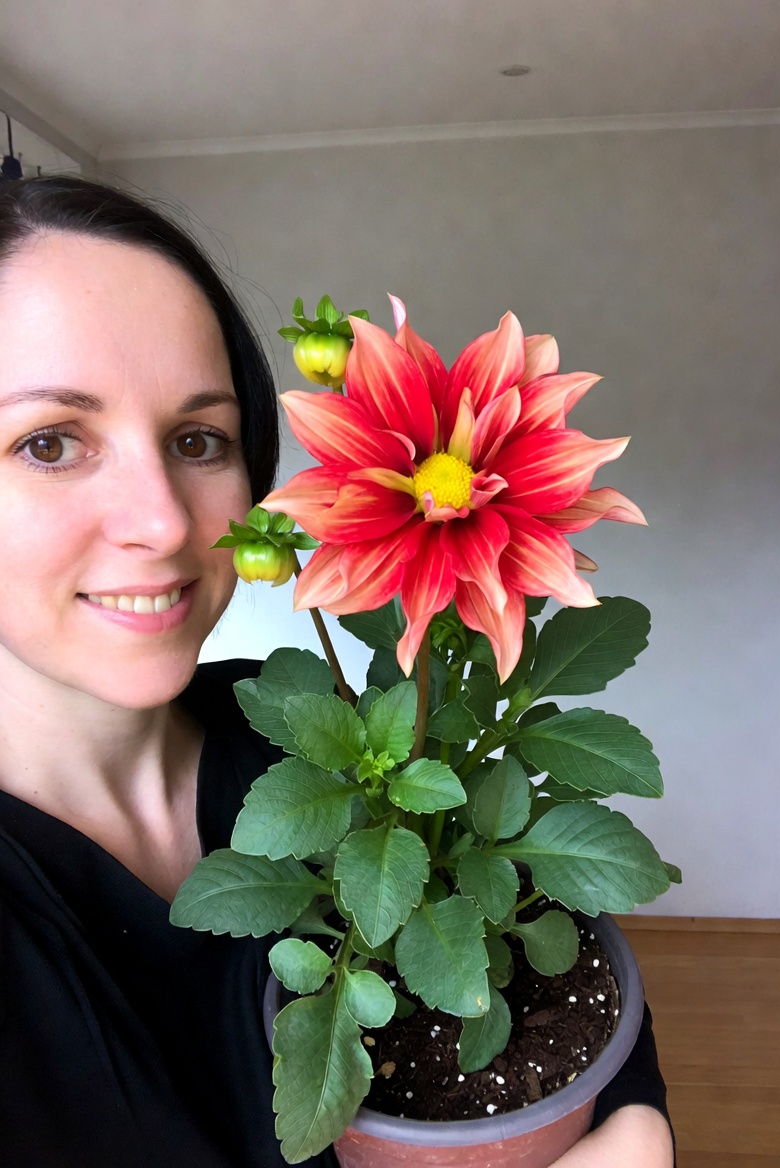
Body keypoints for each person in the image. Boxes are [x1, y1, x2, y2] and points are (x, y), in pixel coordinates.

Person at [0, 175, 674, 1167]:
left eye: (199, 439)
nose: (164, 521)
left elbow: (593, 1028)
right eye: (49, 443)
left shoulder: (304, 716)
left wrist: (640, 1129)